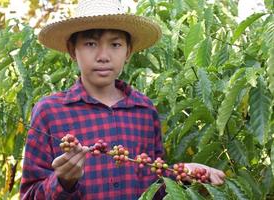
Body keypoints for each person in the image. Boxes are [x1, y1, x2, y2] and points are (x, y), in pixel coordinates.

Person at [20, 0, 225, 199]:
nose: (103, 56)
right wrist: (62, 182)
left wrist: (183, 174)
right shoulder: (50, 112)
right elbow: (29, 195)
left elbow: (154, 187)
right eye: (90, 43)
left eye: (115, 44)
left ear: (128, 51)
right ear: (73, 50)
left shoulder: (144, 110)